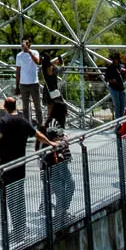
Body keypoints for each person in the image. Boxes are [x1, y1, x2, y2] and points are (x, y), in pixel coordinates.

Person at [0, 98, 44, 242]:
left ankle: (17, 230)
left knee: (10, 199)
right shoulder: (22, 121)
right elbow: (37, 134)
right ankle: (21, 228)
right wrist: (50, 142)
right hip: (20, 166)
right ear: (16, 106)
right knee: (19, 197)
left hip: (6, 166)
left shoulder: (4, 121)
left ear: (4, 107)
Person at [42, 98, 75, 230]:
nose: (67, 115)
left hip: (61, 161)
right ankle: (58, 217)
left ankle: (61, 212)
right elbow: (51, 138)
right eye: (66, 112)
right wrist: (62, 139)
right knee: (61, 190)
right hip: (54, 162)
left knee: (70, 185)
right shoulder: (53, 122)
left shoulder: (57, 123)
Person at [14, 37, 42, 122]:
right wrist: (17, 86)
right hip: (23, 84)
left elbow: (37, 62)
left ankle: (40, 125)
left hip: (34, 83)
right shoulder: (19, 56)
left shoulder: (35, 52)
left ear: (29, 44)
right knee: (25, 107)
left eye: (26, 43)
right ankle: (27, 126)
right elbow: (18, 71)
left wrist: (29, 51)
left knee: (37, 106)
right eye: (22, 43)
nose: (23, 45)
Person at [102, 52, 126, 120]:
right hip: (114, 88)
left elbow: (125, 74)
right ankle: (118, 122)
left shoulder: (120, 67)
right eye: (116, 59)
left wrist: (124, 72)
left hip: (121, 88)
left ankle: (121, 121)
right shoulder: (110, 67)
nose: (117, 60)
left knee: (122, 106)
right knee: (117, 106)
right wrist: (112, 80)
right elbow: (106, 78)